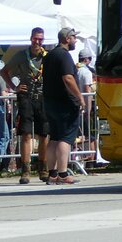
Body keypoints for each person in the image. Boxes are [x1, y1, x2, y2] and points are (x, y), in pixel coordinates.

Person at [3, 27, 48, 185]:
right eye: (35, 38)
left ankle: (43, 169)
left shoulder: (47, 56)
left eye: (40, 39)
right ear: (30, 38)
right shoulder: (22, 55)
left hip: (43, 98)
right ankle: (26, 171)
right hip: (26, 97)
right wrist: (14, 87)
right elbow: (4, 71)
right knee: (26, 134)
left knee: (43, 135)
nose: (37, 42)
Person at [42, 27, 86, 185]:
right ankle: (62, 174)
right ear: (67, 38)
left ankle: (52, 174)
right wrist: (79, 97)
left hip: (50, 101)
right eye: (74, 37)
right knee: (65, 139)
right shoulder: (64, 55)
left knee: (54, 138)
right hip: (64, 103)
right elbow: (68, 78)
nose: (75, 40)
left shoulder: (49, 56)